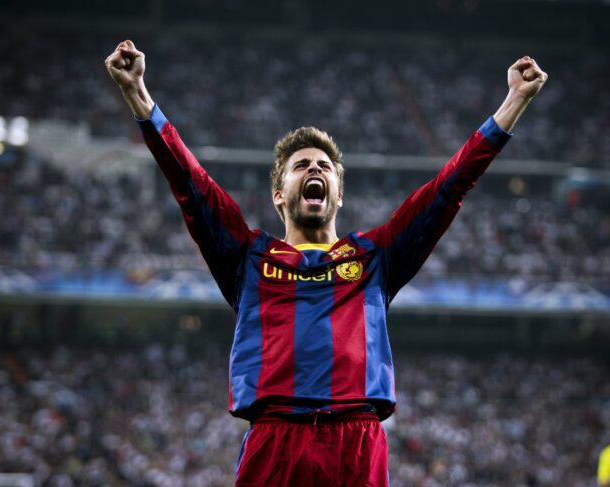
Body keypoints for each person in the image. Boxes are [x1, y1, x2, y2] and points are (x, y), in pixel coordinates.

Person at [105, 39, 547, 486]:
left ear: (338, 192)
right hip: (274, 438)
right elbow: (191, 184)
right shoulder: (247, 257)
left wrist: (512, 102)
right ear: (279, 193)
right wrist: (139, 96)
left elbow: (449, 188)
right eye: (300, 166)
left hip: (356, 442)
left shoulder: (376, 256)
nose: (314, 169)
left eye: (324, 166)